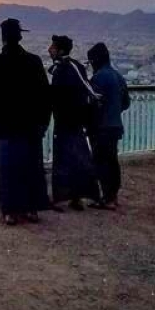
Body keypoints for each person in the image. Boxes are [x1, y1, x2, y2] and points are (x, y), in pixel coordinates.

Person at [0, 18, 50, 225]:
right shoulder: (33, 61)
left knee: (8, 169)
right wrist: (44, 121)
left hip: (6, 125)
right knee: (31, 167)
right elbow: (45, 93)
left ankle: (9, 210)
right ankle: (31, 208)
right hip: (30, 124)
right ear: (20, 36)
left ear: (3, 37)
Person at [49, 35, 100, 211]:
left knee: (64, 158)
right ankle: (77, 196)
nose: (50, 50)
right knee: (78, 158)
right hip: (76, 121)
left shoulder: (63, 69)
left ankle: (64, 196)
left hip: (66, 121)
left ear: (60, 50)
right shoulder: (75, 67)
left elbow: (57, 96)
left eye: (53, 47)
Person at [87, 42, 130, 209]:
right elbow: (126, 103)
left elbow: (92, 104)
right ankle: (113, 196)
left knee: (101, 162)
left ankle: (106, 198)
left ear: (95, 60)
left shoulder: (98, 78)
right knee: (112, 161)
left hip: (101, 127)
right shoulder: (118, 76)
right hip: (115, 126)